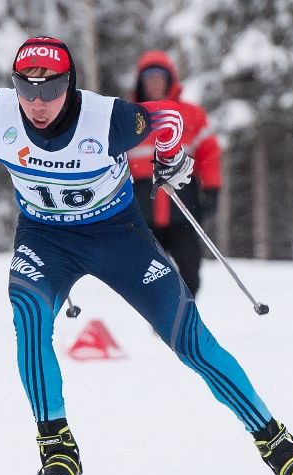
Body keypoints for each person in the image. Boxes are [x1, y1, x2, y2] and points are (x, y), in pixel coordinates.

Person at [0, 36, 293, 475]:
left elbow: (170, 117)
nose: (38, 104)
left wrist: (169, 158)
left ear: (70, 84)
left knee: (190, 339)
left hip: (119, 240)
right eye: (27, 88)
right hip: (45, 241)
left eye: (51, 90)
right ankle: (57, 452)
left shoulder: (108, 119)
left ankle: (281, 448)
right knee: (27, 315)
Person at [127, 51, 222, 297]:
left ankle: (185, 315)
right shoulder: (129, 115)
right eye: (149, 77)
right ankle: (162, 318)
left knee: (190, 271)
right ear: (141, 81)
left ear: (170, 80)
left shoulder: (192, 114)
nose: (154, 82)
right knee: (150, 273)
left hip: (182, 205)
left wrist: (212, 191)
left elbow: (208, 154)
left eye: (160, 77)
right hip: (142, 208)